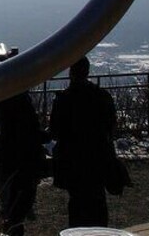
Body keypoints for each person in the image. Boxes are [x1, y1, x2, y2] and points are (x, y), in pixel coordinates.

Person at [49, 56, 117, 228]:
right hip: (98, 157)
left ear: (71, 72)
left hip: (73, 160)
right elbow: (111, 126)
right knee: (98, 201)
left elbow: (55, 131)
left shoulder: (64, 99)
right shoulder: (102, 96)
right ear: (87, 72)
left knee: (77, 203)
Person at [0, 44, 46, 236]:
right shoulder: (21, 101)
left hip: (11, 155)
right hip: (24, 155)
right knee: (19, 202)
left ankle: (13, 226)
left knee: (12, 203)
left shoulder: (4, 100)